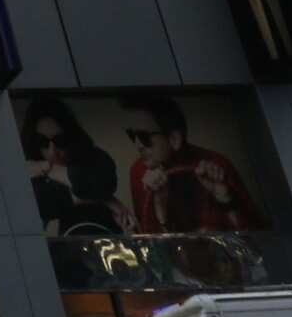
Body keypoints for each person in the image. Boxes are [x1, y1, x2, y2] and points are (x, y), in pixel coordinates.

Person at [120, 94, 265, 236]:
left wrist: (225, 199)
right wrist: (159, 207)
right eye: (132, 135)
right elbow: (148, 241)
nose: (137, 145)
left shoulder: (216, 165)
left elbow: (255, 236)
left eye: (144, 137)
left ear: (174, 139)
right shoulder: (138, 172)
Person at [20, 94, 122, 238]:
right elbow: (42, 204)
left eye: (60, 140)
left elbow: (102, 184)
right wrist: (106, 199)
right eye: (42, 142)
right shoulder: (31, 172)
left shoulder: (94, 157)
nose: (52, 151)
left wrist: (50, 168)